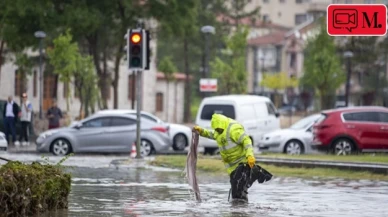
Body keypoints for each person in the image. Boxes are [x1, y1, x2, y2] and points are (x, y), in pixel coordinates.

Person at [192, 113, 272, 202]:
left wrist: (250, 155)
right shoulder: (218, 132)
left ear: (222, 125)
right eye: (216, 129)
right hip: (232, 168)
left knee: (238, 191)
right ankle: (240, 210)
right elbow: (211, 134)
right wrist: (201, 131)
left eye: (218, 129)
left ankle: (239, 211)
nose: (217, 131)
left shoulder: (233, 130)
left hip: (242, 164)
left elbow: (247, 140)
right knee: (238, 191)